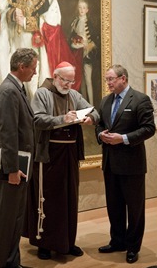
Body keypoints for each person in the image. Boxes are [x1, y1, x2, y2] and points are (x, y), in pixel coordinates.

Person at [23, 61, 99, 260]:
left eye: (71, 81)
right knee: (48, 200)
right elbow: (37, 120)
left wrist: (91, 118)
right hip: (48, 155)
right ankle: (45, 244)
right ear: (55, 77)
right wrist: (62, 119)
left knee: (69, 198)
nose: (68, 85)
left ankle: (67, 242)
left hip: (70, 154)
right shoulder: (42, 93)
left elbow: (94, 112)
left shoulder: (74, 95)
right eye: (65, 80)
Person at [0, 0, 76, 119]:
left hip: (33, 40)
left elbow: (53, 20)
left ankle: (35, 114)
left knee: (33, 77)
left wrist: (28, 21)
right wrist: (13, 14)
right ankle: (17, 114)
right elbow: (0, 6)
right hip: (16, 41)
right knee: (14, 75)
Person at [95, 64, 156, 264]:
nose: (108, 83)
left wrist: (124, 138)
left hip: (132, 165)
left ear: (123, 78)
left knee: (135, 208)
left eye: (111, 79)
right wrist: (100, 134)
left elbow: (149, 129)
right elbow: (100, 125)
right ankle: (117, 241)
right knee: (114, 206)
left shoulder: (140, 100)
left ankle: (132, 247)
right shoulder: (105, 101)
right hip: (110, 164)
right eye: (107, 79)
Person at [0, 48, 38, 268]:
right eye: (33, 68)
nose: (35, 73)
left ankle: (12, 263)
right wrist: (12, 170)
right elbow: (7, 134)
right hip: (11, 170)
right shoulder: (9, 91)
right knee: (5, 224)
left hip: (18, 168)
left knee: (15, 221)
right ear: (22, 66)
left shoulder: (17, 88)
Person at [70, 0, 97, 104]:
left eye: (84, 8)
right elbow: (71, 37)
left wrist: (89, 46)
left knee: (88, 80)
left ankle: (91, 104)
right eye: (80, 7)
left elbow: (95, 39)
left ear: (87, 10)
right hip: (77, 53)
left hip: (87, 54)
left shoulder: (90, 23)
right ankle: (84, 104)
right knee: (80, 81)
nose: (82, 10)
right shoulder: (75, 22)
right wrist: (75, 43)